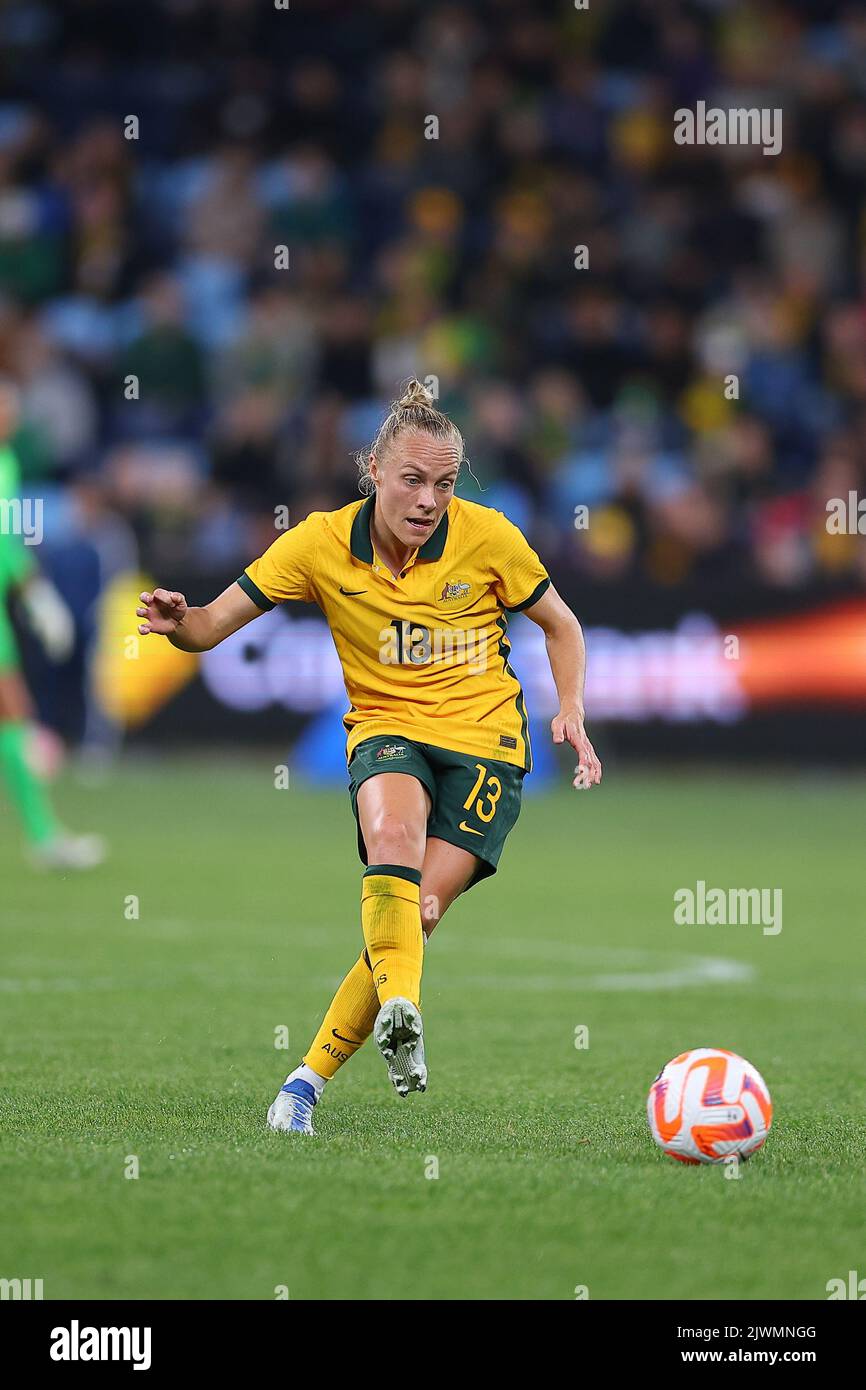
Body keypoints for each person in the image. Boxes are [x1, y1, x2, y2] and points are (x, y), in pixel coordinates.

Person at [136, 380, 601, 1133]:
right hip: (387, 726)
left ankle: (302, 1083)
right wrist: (179, 621)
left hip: (488, 744)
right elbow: (211, 625)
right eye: (413, 481)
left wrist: (572, 710)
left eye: (444, 485)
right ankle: (401, 1015)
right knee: (391, 844)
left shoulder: (490, 537)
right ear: (375, 472)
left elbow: (563, 625)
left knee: (415, 914)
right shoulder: (318, 542)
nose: (428, 501)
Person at [0, 380, 105, 869]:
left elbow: (7, 544)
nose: (10, 417)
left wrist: (33, 591)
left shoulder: (7, 462)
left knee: (14, 712)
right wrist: (37, 593)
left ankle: (44, 836)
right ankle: (44, 837)